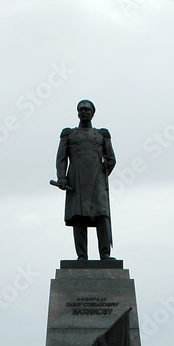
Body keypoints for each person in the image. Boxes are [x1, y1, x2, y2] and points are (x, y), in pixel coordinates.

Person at [53, 100, 116, 260]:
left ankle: (105, 254)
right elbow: (61, 158)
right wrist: (62, 177)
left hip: (97, 180)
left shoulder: (102, 135)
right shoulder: (69, 134)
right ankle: (82, 256)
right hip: (77, 181)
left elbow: (111, 158)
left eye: (87, 110)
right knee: (79, 217)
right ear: (77, 113)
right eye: (81, 110)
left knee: (102, 216)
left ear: (92, 113)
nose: (84, 112)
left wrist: (104, 170)